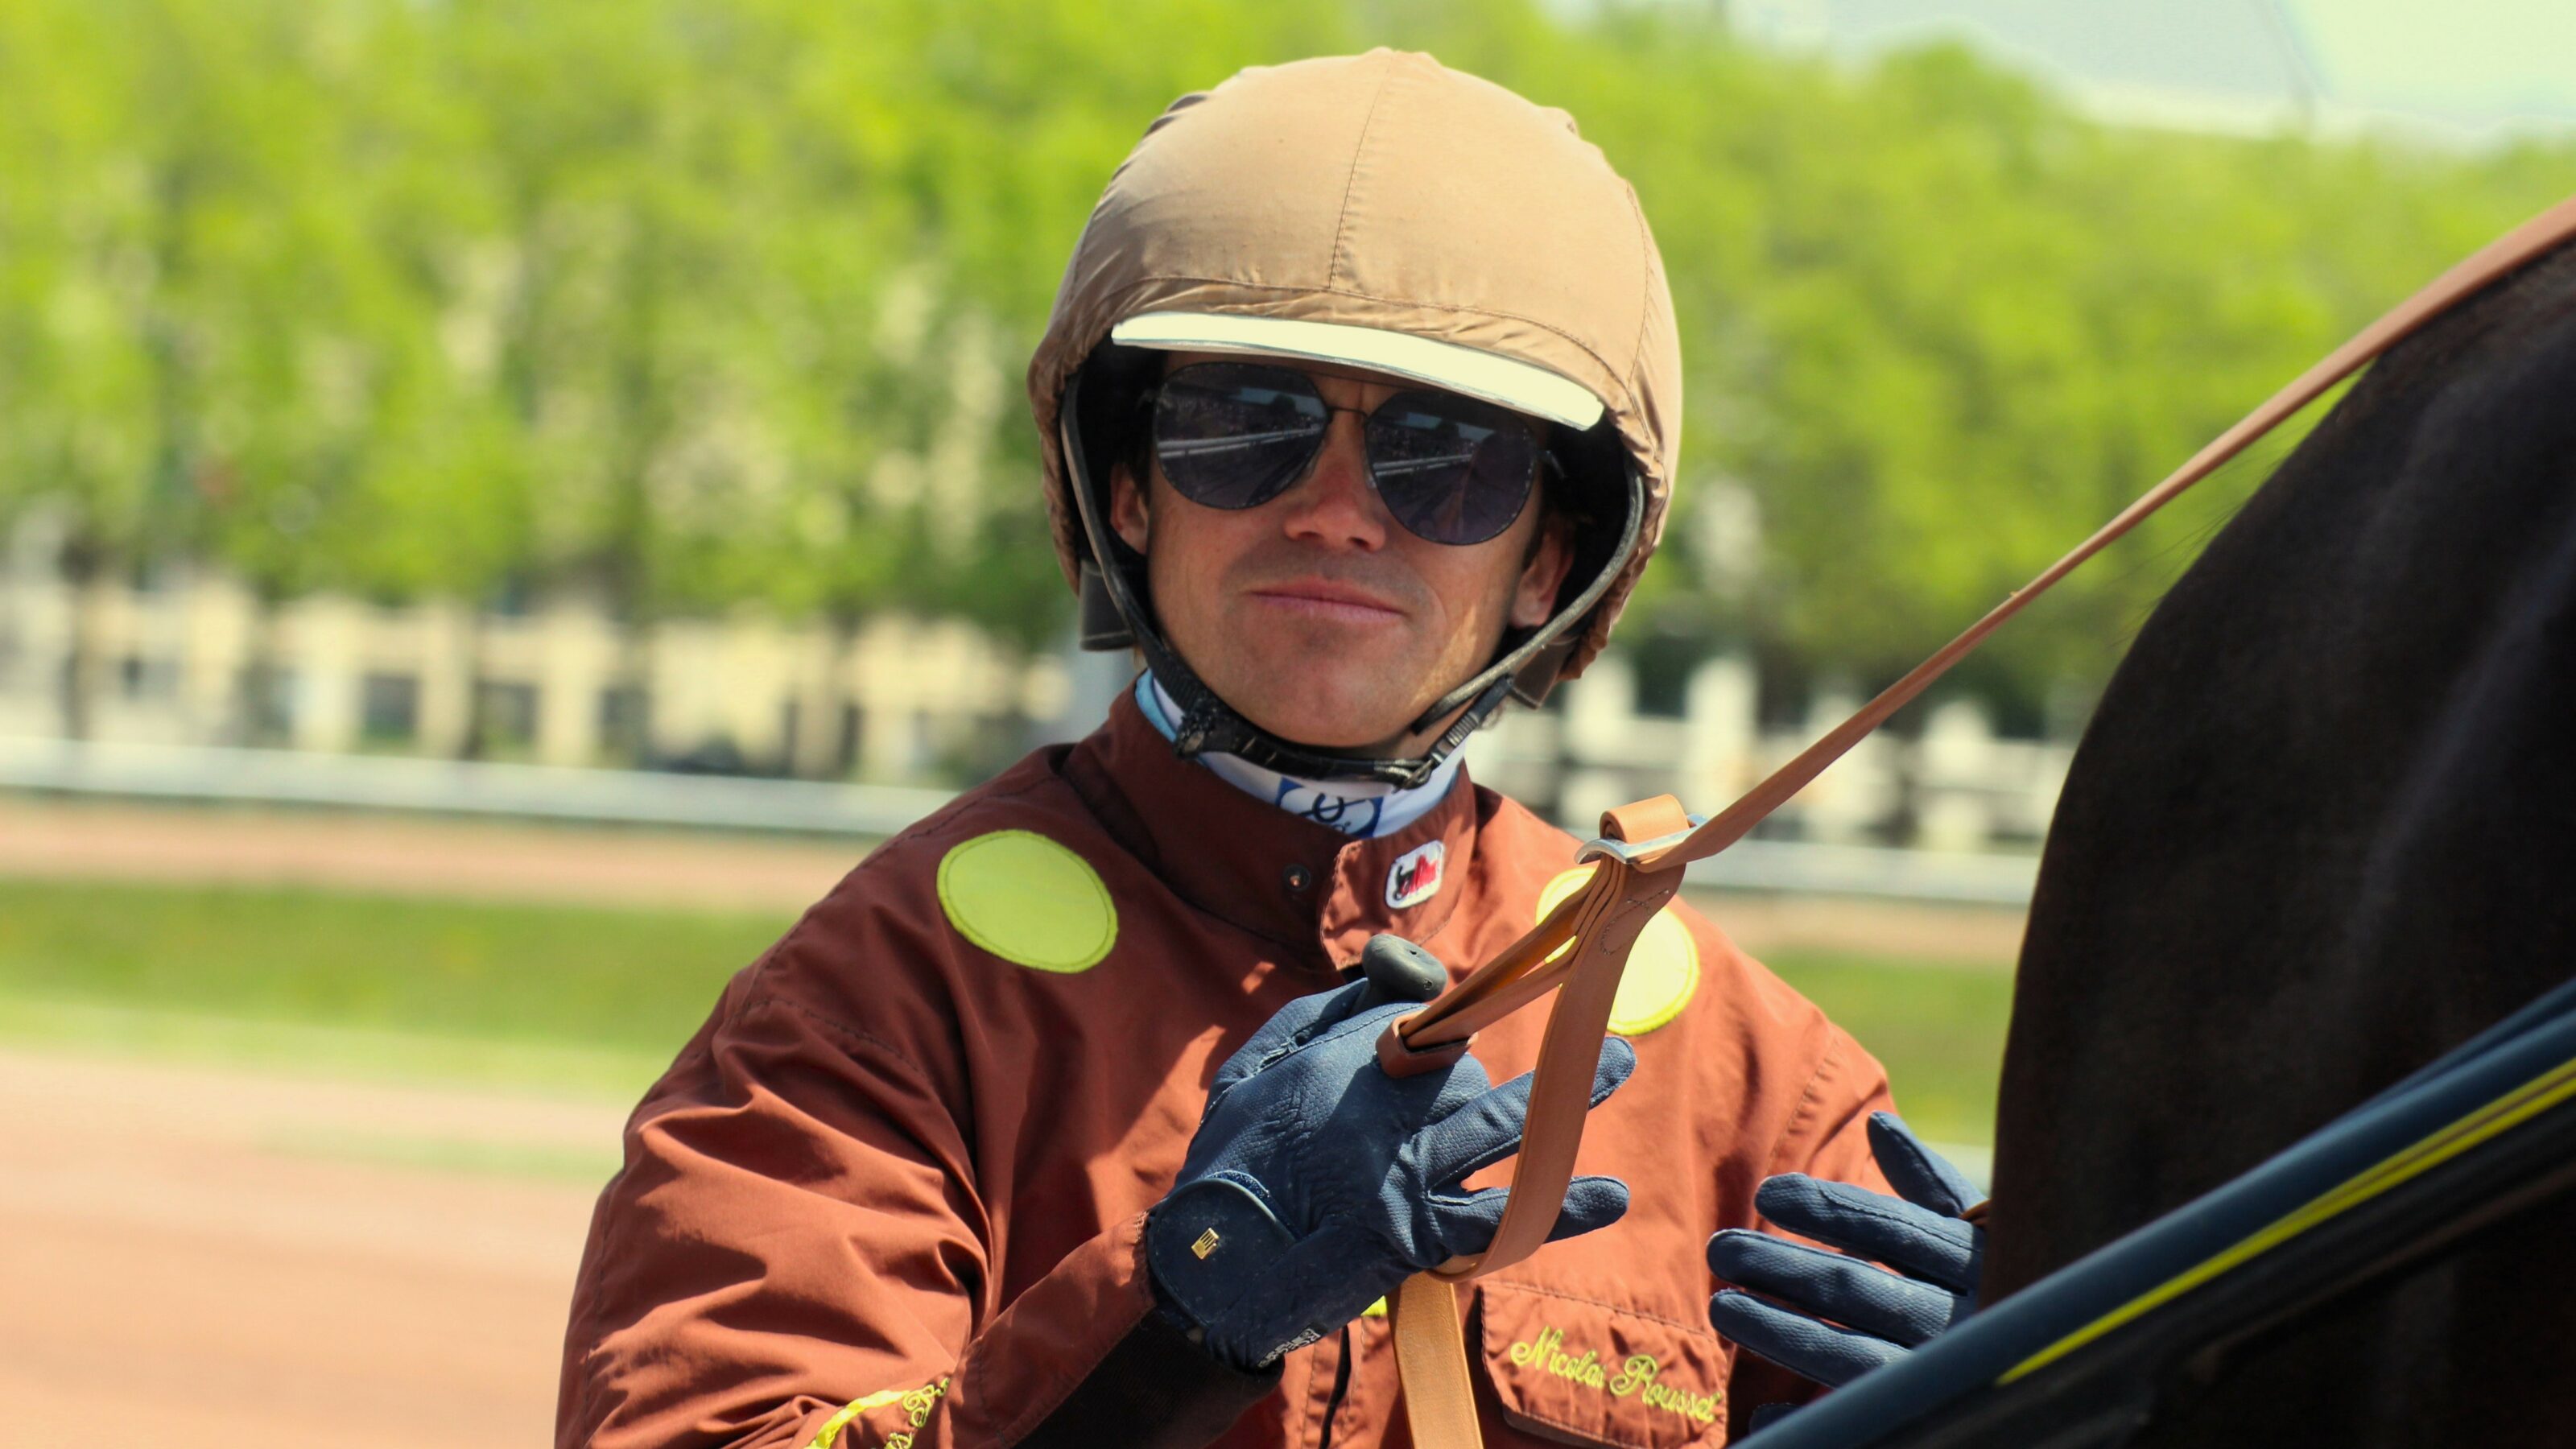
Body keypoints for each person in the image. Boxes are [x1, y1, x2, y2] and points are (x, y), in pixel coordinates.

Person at [558, 49, 1919, 1449]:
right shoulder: (879, 1010)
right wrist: (1169, 1321)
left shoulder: (1750, 1087)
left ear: (1550, 559)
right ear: (1131, 494)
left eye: (1444, 460)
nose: (1335, 511)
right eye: (1244, 427)